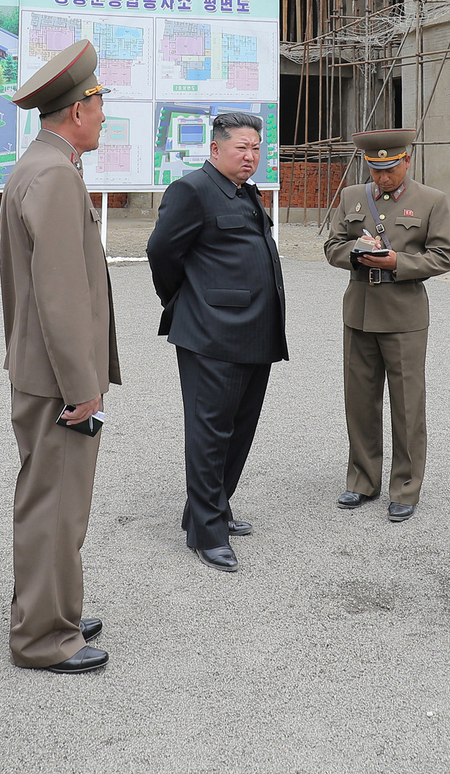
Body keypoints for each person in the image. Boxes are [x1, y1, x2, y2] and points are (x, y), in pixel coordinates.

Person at [1, 41, 121, 674]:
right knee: (55, 505)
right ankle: (44, 636)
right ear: (79, 109)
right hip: (57, 378)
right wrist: (83, 384)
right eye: (101, 102)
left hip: (42, 371)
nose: (105, 114)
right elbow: (59, 289)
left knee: (49, 498)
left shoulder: (44, 166)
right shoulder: (52, 175)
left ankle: (53, 607)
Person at [147, 110, 286, 572]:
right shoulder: (193, 190)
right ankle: (206, 534)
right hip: (211, 334)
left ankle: (210, 510)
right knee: (210, 434)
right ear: (215, 149)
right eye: (240, 147)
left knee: (239, 431)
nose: (250, 156)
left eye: (255, 148)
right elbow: (162, 252)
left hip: (255, 332)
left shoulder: (247, 193)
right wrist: (188, 301)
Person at [321, 128, 450, 522]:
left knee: (407, 404)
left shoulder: (431, 201)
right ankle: (362, 480)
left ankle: (406, 487)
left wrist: (398, 262)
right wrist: (356, 254)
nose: (382, 177)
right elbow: (332, 247)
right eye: (375, 169)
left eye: (390, 169)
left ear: (406, 161)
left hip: (404, 316)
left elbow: (443, 257)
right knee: (359, 401)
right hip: (359, 311)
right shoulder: (351, 197)